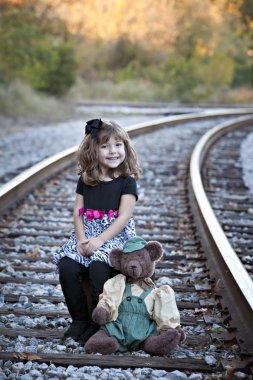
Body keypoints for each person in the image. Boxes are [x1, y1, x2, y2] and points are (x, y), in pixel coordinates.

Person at [54, 118, 141, 344]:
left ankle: (96, 323)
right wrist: (82, 240)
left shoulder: (126, 182)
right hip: (87, 233)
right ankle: (79, 320)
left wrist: (100, 240)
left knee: (98, 266)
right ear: (94, 150)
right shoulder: (86, 179)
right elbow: (78, 212)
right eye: (105, 146)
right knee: (67, 265)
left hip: (114, 236)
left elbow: (123, 217)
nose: (113, 151)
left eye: (118, 145)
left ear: (126, 148)